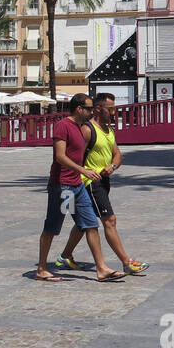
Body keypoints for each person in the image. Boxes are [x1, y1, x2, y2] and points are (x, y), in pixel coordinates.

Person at [55, 92, 150, 276]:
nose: (114, 112)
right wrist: (74, 178)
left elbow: (118, 154)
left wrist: (112, 166)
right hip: (90, 182)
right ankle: (127, 262)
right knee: (109, 220)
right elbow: (73, 154)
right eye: (111, 109)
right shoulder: (88, 130)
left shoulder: (109, 130)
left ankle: (65, 256)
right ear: (98, 109)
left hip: (104, 181)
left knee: (84, 223)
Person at [35, 93, 123, 283]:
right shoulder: (63, 126)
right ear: (78, 109)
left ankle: (102, 269)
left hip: (77, 186)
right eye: (89, 108)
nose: (92, 112)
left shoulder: (79, 127)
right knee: (52, 227)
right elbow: (60, 156)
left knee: (91, 224)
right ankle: (42, 268)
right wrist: (84, 170)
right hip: (62, 186)